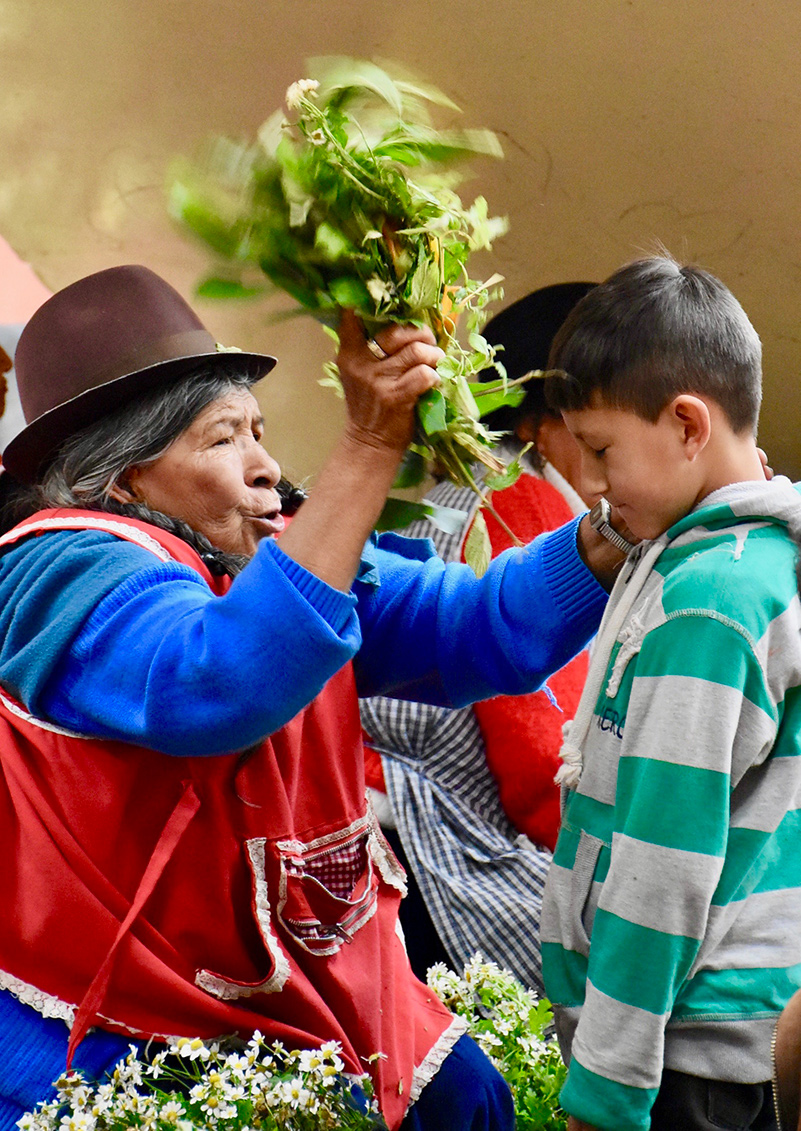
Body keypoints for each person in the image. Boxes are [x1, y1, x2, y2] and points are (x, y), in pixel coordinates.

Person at [0, 265, 626, 1131]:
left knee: (465, 1097)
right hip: (104, 1014)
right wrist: (367, 447)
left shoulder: (273, 555)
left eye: (259, 432)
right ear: (125, 478)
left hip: (279, 979)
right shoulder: (56, 564)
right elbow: (216, 681)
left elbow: (476, 626)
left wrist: (617, 527)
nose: (266, 467)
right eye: (223, 440)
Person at [539, 255, 798, 1131]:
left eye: (602, 450)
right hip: (713, 1037)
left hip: (685, 1057)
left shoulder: (709, 603)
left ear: (688, 424)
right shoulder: (726, 564)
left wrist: (604, 1089)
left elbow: (663, 861)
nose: (593, 483)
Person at [360, 283, 596, 988]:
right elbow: (544, 769)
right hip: (441, 856)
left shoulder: (420, 498)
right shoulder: (521, 506)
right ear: (537, 422)